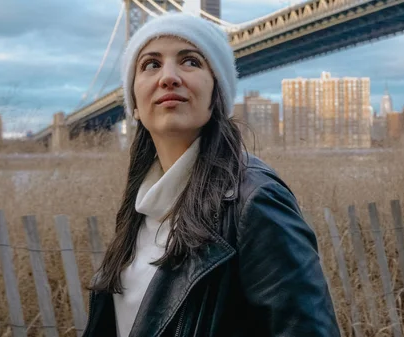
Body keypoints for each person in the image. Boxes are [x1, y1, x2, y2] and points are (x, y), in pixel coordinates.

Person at [82, 13, 340, 337]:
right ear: (133, 103)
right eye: (150, 64)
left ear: (217, 92)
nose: (169, 77)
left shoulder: (255, 203)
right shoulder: (140, 208)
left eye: (190, 61)